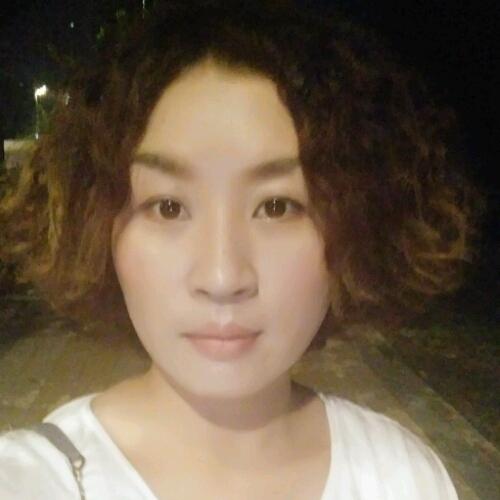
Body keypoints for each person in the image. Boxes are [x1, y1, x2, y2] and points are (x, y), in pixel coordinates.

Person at [0, 1, 477, 498]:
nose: (223, 277)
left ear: (359, 224)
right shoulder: (30, 481)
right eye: (168, 207)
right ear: (95, 225)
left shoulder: (405, 478)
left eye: (276, 206)